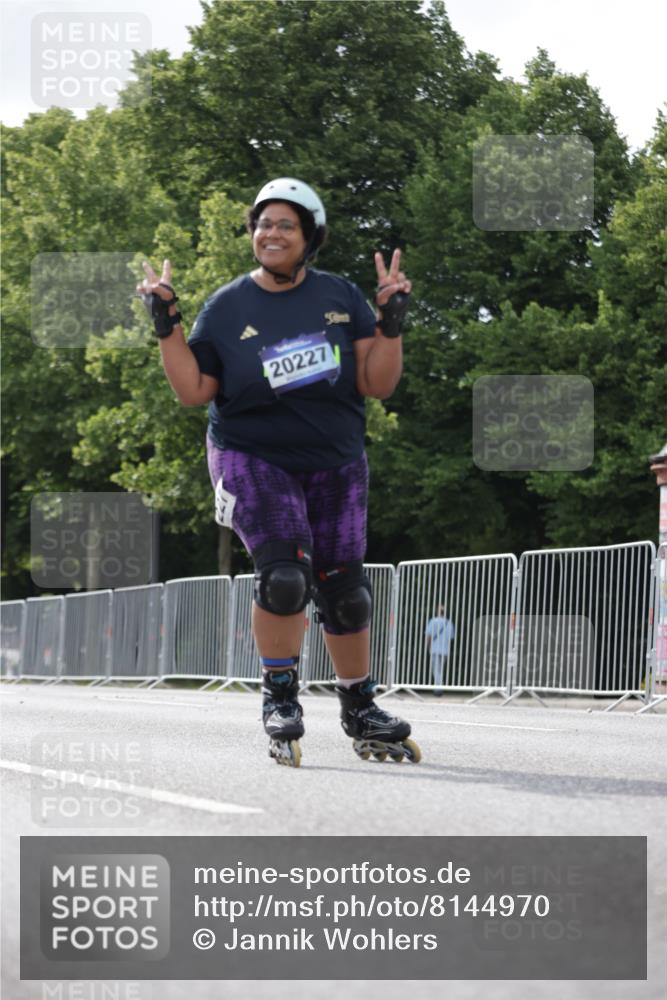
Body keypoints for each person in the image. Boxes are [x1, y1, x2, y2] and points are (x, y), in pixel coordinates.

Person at [136, 177, 420, 767]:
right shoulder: (228, 305)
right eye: (263, 224)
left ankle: (360, 704)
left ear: (309, 237)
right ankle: (281, 696)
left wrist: (390, 324)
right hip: (249, 452)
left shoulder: (340, 295)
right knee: (286, 576)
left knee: (345, 591)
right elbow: (194, 390)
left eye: (286, 224)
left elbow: (378, 383)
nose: (271, 233)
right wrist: (167, 327)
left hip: (335, 458)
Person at [425, 606, 456, 692]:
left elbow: (429, 636)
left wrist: (428, 646)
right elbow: (451, 637)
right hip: (445, 649)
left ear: (438, 611)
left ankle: (438, 688)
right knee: (440, 669)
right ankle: (439, 687)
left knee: (435, 669)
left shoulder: (433, 621)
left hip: (434, 648)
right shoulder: (449, 623)